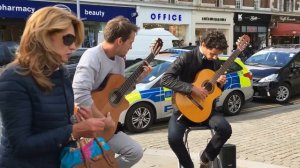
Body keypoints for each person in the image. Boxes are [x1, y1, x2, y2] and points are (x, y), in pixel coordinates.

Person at [0, 7, 109, 167]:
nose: (73, 47)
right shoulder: (14, 78)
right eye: (68, 39)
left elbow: (52, 124)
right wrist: (74, 130)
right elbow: (21, 144)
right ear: (43, 36)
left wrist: (76, 120)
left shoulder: (59, 72)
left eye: (76, 41)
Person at [72, 16, 152, 168]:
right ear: (120, 41)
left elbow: (118, 93)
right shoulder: (92, 56)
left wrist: (137, 79)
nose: (131, 47)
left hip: (108, 126)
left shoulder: (119, 61)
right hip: (87, 126)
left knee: (135, 151)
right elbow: (79, 92)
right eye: (130, 42)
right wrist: (103, 119)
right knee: (88, 162)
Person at [161, 31, 232, 168]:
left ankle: (205, 158)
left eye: (218, 54)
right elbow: (165, 79)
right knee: (174, 139)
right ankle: (188, 165)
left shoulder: (215, 61)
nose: (215, 57)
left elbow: (215, 91)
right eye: (213, 53)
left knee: (225, 129)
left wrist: (220, 84)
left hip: (207, 110)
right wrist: (191, 88)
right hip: (184, 109)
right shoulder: (186, 58)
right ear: (203, 44)